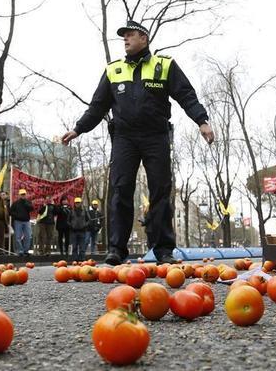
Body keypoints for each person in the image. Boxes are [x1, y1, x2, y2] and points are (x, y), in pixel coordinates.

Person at [61, 20, 214, 265]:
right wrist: (78, 129)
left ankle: (164, 250)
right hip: (124, 139)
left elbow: (186, 94)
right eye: (124, 36)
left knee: (160, 191)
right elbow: (98, 106)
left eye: (130, 35)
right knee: (120, 190)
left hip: (156, 137)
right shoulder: (114, 70)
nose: (125, 39)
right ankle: (116, 249)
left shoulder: (164, 66)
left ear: (144, 37)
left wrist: (202, 121)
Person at [9, 189, 33, 256]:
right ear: (19, 195)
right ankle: (20, 250)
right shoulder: (15, 203)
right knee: (18, 237)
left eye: (24, 194)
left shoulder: (28, 202)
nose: (23, 195)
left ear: (26, 195)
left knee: (28, 236)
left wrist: (26, 203)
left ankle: (26, 250)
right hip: (18, 222)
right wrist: (16, 216)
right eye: (22, 194)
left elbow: (31, 208)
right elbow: (10, 212)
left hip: (26, 222)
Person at [68, 197, 90, 262]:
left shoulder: (84, 211)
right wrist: (71, 226)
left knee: (82, 246)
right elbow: (68, 220)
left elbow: (89, 220)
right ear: (74, 203)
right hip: (73, 231)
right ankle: (75, 259)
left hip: (82, 231)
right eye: (76, 203)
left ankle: (82, 259)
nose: (77, 204)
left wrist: (85, 225)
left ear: (81, 203)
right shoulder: (71, 211)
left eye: (79, 203)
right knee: (74, 246)